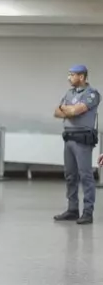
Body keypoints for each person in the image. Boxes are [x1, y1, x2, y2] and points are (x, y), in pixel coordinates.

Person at [53, 65, 100, 225]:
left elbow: (75, 111)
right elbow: (56, 112)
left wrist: (68, 109)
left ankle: (88, 212)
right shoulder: (69, 93)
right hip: (69, 139)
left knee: (86, 176)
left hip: (82, 140)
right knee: (70, 176)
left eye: (72, 75)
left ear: (81, 77)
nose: (69, 78)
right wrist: (69, 109)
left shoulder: (92, 94)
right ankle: (72, 210)